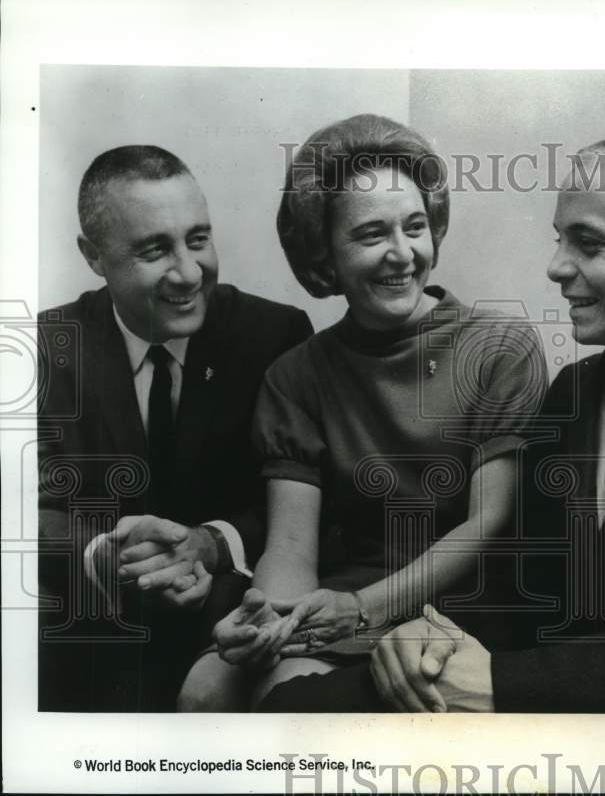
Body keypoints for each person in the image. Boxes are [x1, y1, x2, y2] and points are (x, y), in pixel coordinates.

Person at [288, 137, 605, 713]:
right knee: (288, 709)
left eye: (587, 243)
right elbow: (518, 578)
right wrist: (427, 635)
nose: (556, 267)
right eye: (559, 240)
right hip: (510, 684)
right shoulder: (573, 393)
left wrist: (504, 684)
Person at [178, 114, 547, 710]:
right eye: (372, 234)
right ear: (325, 255)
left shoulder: (501, 347)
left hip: (456, 603)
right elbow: (292, 545)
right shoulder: (295, 375)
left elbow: (488, 523)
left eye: (415, 227)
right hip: (339, 600)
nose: (402, 254)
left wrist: (361, 610)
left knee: (287, 699)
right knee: (204, 692)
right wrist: (267, 621)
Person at [37, 145, 313, 711]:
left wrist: (210, 544)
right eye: (154, 249)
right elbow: (22, 510)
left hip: (228, 634)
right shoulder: (43, 348)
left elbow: (299, 506)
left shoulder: (275, 335)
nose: (188, 273)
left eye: (198, 239)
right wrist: (102, 557)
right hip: (86, 643)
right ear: (93, 256)